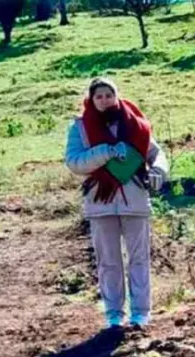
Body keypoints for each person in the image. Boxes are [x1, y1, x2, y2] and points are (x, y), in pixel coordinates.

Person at [64, 77, 169, 331]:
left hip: (135, 199)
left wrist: (159, 172)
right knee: (108, 260)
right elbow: (74, 162)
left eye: (108, 95)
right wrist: (106, 152)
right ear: (91, 100)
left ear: (117, 96)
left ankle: (141, 313)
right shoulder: (80, 128)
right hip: (100, 203)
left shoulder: (136, 126)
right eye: (98, 96)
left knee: (139, 259)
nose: (104, 100)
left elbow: (156, 154)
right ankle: (113, 315)